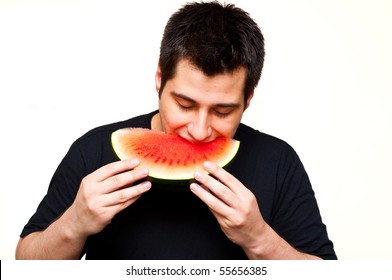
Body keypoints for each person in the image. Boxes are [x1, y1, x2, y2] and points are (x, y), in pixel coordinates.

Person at [16, 1, 336, 260]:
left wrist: (259, 238)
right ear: (159, 79)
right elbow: (24, 262)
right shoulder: (95, 149)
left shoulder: (277, 161)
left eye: (222, 111)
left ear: (248, 98)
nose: (198, 130)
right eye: (184, 104)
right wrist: (74, 223)